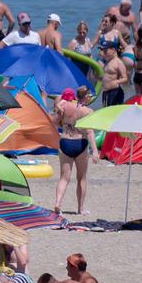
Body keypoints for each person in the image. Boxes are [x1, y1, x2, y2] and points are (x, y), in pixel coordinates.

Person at [53, 87, 96, 216]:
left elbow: (54, 122)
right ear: (86, 97)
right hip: (80, 143)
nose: (90, 98)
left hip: (65, 142)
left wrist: (65, 125)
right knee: (81, 178)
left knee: (64, 177)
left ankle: (58, 203)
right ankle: (80, 208)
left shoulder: (64, 106)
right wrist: (95, 151)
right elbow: (90, 131)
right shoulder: (88, 111)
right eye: (90, 96)